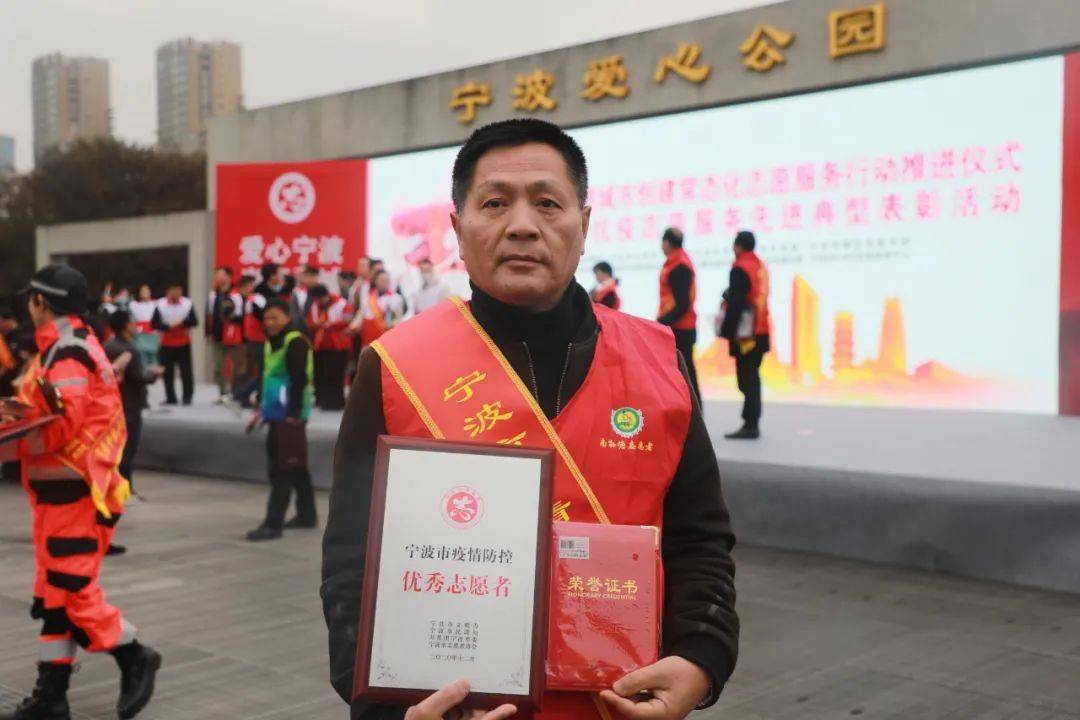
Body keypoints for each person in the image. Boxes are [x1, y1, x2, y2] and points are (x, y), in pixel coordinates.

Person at [321, 119, 737, 720]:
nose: (522, 224)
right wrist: (389, 708)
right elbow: (351, 566)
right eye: (495, 203)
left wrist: (701, 658)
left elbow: (699, 540)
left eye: (547, 203)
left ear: (584, 226)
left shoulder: (659, 360)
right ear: (458, 231)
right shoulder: (393, 369)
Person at [0, 265, 161, 720]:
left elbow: (59, 427)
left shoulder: (67, 352)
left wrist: (9, 438)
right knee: (55, 595)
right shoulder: (66, 347)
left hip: (75, 492)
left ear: (41, 302)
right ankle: (51, 697)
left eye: (30, 299)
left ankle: (134, 654)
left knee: (73, 593)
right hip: (65, 493)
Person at [246, 298, 317, 541]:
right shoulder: (271, 343)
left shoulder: (295, 342)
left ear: (287, 317)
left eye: (275, 317)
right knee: (295, 463)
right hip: (275, 412)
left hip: (289, 416)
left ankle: (273, 524)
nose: (269, 322)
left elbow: (299, 380)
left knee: (281, 467)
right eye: (266, 318)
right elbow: (268, 376)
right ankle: (307, 515)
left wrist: (293, 417)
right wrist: (260, 400)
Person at [718, 230, 771, 440]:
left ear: (738, 246)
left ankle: (751, 424)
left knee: (747, 379)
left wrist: (726, 331)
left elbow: (737, 303)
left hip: (746, 335)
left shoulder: (740, 268)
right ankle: (751, 422)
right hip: (761, 330)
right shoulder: (760, 266)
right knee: (751, 377)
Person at [104, 309, 162, 497]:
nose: (135, 324)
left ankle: (113, 487)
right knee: (128, 449)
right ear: (124, 326)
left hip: (112, 405)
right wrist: (153, 374)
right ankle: (125, 489)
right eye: (132, 321)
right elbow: (137, 377)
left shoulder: (107, 347)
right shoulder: (130, 350)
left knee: (115, 448)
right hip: (130, 404)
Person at [657, 227, 700, 402]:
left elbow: (682, 304)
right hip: (680, 326)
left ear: (667, 243)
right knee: (683, 372)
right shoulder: (677, 262)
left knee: (685, 373)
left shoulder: (679, 266)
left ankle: (694, 411)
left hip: (680, 328)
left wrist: (661, 323)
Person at [151, 284, 197, 405]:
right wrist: (167, 326)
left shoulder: (187, 304)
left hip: (183, 342)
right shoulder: (160, 305)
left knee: (186, 371)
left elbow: (194, 321)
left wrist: (182, 323)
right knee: (167, 371)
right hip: (166, 342)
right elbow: (154, 324)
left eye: (178, 291)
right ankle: (170, 397)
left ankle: (187, 396)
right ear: (168, 292)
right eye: (174, 291)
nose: (176, 293)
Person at [307, 284, 350, 411]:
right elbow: (311, 321)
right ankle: (323, 399)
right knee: (322, 374)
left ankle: (336, 401)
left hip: (338, 344)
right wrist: (318, 324)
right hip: (321, 345)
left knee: (337, 374)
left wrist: (331, 325)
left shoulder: (341, 303)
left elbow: (347, 320)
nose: (319, 302)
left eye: (320, 299)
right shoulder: (315, 305)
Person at [206, 267, 245, 402]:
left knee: (236, 367)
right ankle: (223, 393)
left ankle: (236, 394)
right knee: (218, 367)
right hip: (217, 336)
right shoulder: (213, 295)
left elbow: (240, 317)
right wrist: (208, 332)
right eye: (216, 275)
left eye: (221, 275)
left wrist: (229, 316)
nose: (218, 277)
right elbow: (209, 315)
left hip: (233, 337)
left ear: (229, 277)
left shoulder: (235, 295)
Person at [233, 275, 265, 408]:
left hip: (255, 339)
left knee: (260, 371)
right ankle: (243, 393)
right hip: (258, 340)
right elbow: (262, 317)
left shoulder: (253, 300)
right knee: (263, 372)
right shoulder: (254, 300)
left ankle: (248, 395)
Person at [127, 285, 159, 370]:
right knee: (141, 354)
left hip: (153, 333)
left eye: (146, 291)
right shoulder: (134, 305)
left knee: (154, 355)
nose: (144, 293)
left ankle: (155, 371)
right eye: (142, 291)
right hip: (140, 333)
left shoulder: (156, 304)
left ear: (150, 293)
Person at [290, 264, 320, 337]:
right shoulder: (296, 292)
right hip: (301, 331)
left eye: (314, 276)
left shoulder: (320, 292)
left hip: (317, 331)